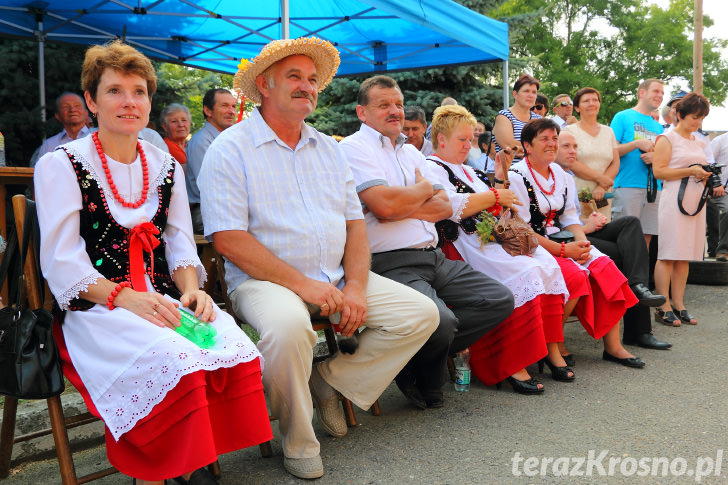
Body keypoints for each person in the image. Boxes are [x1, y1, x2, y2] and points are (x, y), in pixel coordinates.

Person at [197, 37, 439, 480]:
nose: (307, 86)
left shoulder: (330, 148)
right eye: (295, 77)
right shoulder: (229, 149)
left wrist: (358, 288)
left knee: (420, 315)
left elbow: (354, 226)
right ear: (263, 86)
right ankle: (297, 437)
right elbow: (229, 240)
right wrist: (305, 286)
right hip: (263, 282)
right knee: (289, 328)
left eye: (312, 79)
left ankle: (327, 381)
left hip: (336, 276)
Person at [34, 40, 271, 485]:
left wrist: (191, 291)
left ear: (149, 101)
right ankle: (183, 465)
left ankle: (199, 455)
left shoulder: (166, 167)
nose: (129, 102)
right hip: (99, 308)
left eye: (139, 91)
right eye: (115, 91)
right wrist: (128, 299)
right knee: (176, 352)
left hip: (162, 297)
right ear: (91, 100)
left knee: (226, 337)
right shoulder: (60, 165)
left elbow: (180, 246)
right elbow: (62, 262)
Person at [340, 75, 513, 404]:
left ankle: (410, 359)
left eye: (399, 104)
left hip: (433, 256)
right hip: (390, 262)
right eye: (384, 105)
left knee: (498, 298)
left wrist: (402, 204)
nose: (395, 111)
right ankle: (422, 378)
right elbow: (384, 206)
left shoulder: (411, 153)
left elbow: (444, 207)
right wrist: (418, 195)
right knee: (442, 321)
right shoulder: (352, 148)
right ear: (362, 113)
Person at [427, 105, 572, 389]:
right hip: (462, 245)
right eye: (462, 139)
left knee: (547, 265)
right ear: (441, 140)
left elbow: (497, 208)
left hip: (488, 239)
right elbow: (449, 207)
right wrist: (495, 195)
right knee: (526, 272)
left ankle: (547, 351)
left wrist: (500, 178)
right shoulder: (432, 168)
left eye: (471, 139)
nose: (468, 145)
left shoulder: (467, 169)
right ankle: (510, 363)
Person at [507, 118, 644, 368]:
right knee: (576, 276)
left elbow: (569, 217)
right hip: (533, 246)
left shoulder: (561, 174)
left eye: (554, 138)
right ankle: (553, 343)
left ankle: (613, 347)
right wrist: (563, 250)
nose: (552, 144)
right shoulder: (516, 176)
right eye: (544, 139)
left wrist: (584, 247)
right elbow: (522, 229)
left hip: (563, 239)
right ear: (527, 145)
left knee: (606, 267)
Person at [557, 131, 671, 350]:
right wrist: (585, 227)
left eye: (574, 146)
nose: (572, 151)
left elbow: (570, 215)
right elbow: (550, 225)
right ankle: (639, 329)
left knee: (630, 224)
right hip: (565, 238)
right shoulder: (539, 177)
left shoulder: (566, 177)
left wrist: (589, 222)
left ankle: (638, 287)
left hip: (583, 230)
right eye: (565, 147)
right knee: (626, 255)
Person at [652, 92, 711, 326]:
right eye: (694, 117)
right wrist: (691, 171)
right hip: (674, 198)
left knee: (684, 254)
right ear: (679, 115)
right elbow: (659, 172)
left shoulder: (699, 141)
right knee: (668, 253)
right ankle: (662, 304)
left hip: (695, 200)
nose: (697, 122)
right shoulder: (666, 139)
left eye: (701, 118)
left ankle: (679, 303)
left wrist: (705, 175)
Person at [610, 78, 665, 245]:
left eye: (662, 93)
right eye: (656, 91)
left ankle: (641, 271)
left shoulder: (659, 127)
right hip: (627, 185)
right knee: (626, 236)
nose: (660, 95)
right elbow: (611, 151)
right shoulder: (622, 117)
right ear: (642, 92)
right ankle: (623, 272)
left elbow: (663, 158)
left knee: (646, 238)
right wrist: (636, 144)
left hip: (654, 188)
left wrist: (656, 158)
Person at [563, 87, 619, 224]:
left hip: (605, 194)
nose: (591, 103)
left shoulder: (608, 131)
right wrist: (600, 178)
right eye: (586, 101)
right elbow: (571, 162)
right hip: (580, 193)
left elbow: (615, 162)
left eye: (595, 100)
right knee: (582, 233)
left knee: (604, 229)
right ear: (577, 107)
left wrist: (602, 186)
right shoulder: (569, 131)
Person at [186, 88, 237, 234]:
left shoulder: (229, 139)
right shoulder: (201, 141)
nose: (231, 111)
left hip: (228, 210)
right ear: (208, 111)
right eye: (224, 106)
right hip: (207, 214)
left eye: (233, 106)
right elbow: (209, 187)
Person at [31, 92, 92, 166]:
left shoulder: (100, 138)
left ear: (86, 113)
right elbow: (38, 173)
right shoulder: (49, 145)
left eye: (77, 106)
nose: (72, 110)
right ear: (57, 116)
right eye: (65, 107)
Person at [493, 74, 542, 162]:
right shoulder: (504, 116)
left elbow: (546, 144)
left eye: (534, 92)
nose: (530, 95)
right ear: (515, 94)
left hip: (535, 173)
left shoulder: (539, 120)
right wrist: (538, 150)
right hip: (509, 173)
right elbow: (510, 146)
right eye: (526, 91)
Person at [709, 131, 728, 261]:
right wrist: (716, 184)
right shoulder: (720, 140)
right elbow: (709, 164)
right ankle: (723, 251)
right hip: (722, 190)